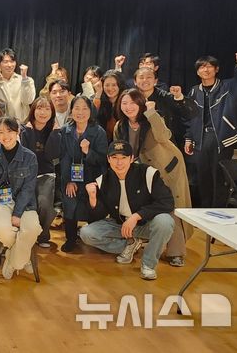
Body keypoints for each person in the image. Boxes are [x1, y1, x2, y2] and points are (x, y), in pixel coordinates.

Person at [115, 89, 193, 267]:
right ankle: (146, 240)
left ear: (141, 104)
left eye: (133, 103)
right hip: (143, 172)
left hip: (167, 168)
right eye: (124, 103)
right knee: (149, 206)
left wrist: (151, 112)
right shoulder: (121, 125)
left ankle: (176, 252)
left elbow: (164, 136)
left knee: (172, 206)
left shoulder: (151, 118)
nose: (128, 107)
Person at [80, 141, 175, 280]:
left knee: (165, 221)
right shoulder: (103, 180)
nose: (119, 163)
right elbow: (98, 215)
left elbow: (167, 202)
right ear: (108, 159)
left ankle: (148, 265)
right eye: (114, 158)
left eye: (123, 158)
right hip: (121, 225)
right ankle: (130, 244)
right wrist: (93, 198)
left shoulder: (147, 173)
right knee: (86, 233)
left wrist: (137, 216)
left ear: (132, 158)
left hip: (145, 225)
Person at [185, 51, 237, 208]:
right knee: (203, 179)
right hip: (200, 139)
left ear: (216, 69)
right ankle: (205, 215)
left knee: (220, 179)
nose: (205, 70)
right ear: (197, 71)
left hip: (222, 138)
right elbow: (189, 117)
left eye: (209, 67)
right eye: (202, 67)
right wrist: (188, 138)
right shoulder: (194, 91)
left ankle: (218, 214)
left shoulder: (227, 87)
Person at [0, 118, 42, 279]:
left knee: (32, 229)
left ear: (17, 132)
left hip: (25, 202)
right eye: (1, 132)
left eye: (9, 131)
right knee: (3, 229)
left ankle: (13, 260)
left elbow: (28, 188)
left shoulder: (29, 157)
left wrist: (17, 213)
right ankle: (23, 256)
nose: (5, 136)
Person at [58, 96, 108, 252]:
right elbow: (62, 159)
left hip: (92, 177)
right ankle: (71, 238)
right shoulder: (65, 131)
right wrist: (68, 180)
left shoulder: (98, 132)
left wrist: (88, 152)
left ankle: (92, 236)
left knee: (92, 203)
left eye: (85, 108)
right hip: (71, 177)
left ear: (91, 110)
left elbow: (103, 160)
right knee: (69, 200)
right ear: (71, 110)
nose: (80, 112)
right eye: (77, 108)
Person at [21, 97, 61, 248]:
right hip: (27, 175)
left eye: (47, 109)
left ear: (52, 112)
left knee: (44, 203)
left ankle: (43, 234)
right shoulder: (25, 130)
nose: (43, 112)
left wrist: (55, 133)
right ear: (33, 111)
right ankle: (29, 233)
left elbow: (52, 155)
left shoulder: (55, 131)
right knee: (29, 204)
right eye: (39, 108)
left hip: (46, 174)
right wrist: (30, 132)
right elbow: (27, 155)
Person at [133, 67, 198, 149]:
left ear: (155, 81)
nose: (145, 80)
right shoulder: (131, 98)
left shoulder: (166, 97)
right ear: (135, 81)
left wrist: (179, 97)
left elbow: (191, 113)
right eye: (141, 77)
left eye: (149, 77)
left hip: (163, 145)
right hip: (138, 144)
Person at [0, 48, 36, 120]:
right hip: (3, 125)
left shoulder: (27, 80)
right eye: (5, 62)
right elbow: (4, 101)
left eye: (12, 61)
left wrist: (24, 79)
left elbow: (28, 101)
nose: (9, 65)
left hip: (24, 123)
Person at [94, 70, 127, 142]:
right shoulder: (98, 99)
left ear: (120, 85)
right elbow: (91, 116)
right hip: (101, 141)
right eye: (107, 85)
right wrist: (98, 93)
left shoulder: (126, 100)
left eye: (114, 85)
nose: (110, 88)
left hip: (122, 141)